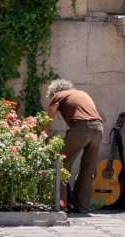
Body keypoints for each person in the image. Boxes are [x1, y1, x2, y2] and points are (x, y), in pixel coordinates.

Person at [44, 79, 103, 213]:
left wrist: (42, 135)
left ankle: (62, 205)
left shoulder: (58, 96)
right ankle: (81, 206)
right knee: (88, 169)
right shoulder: (81, 93)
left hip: (81, 128)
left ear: (54, 91)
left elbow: (49, 117)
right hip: (98, 129)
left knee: (61, 165)